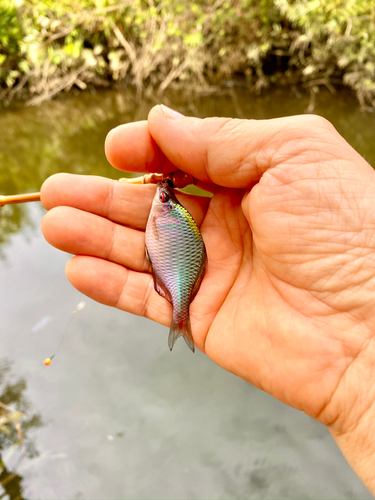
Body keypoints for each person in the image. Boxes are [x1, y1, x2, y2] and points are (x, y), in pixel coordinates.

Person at [41, 104, 375, 494]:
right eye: (164, 198)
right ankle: (179, 317)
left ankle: (178, 318)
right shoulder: (169, 216)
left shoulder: (167, 216)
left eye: (164, 199)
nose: (160, 199)